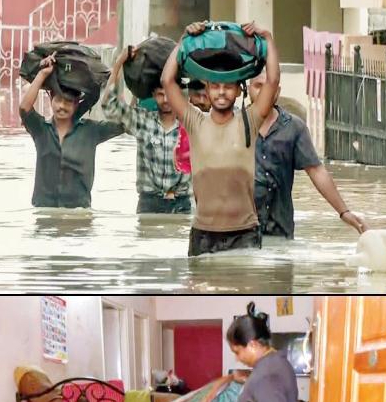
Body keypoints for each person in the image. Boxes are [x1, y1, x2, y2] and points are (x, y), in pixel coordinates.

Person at [161, 20, 280, 256]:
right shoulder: (195, 122)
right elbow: (167, 81)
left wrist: (266, 37)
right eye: (215, 86)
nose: (222, 92)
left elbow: (273, 80)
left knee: (244, 294)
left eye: (228, 86)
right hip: (203, 235)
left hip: (244, 233)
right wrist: (184, 39)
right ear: (206, 89)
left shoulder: (250, 120)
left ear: (238, 90)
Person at [247, 76, 368, 240]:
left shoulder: (294, 128)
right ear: (248, 89)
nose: (264, 91)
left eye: (270, 86)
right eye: (258, 86)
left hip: (279, 231)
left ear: (278, 91)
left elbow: (316, 170)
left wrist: (344, 212)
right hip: (239, 232)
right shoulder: (234, 125)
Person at [18, 53, 125, 208]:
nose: (62, 106)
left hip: (79, 215)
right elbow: (24, 108)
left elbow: (123, 124)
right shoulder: (41, 130)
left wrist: (117, 70)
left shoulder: (91, 131)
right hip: (44, 213)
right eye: (58, 100)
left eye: (68, 102)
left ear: (76, 104)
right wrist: (43, 74)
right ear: (51, 100)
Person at [101, 45, 193, 214]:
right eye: (160, 94)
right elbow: (109, 106)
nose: (165, 99)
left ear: (178, 92)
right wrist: (119, 63)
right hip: (149, 203)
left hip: (182, 205)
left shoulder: (192, 124)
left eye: (169, 93)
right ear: (153, 95)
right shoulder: (143, 121)